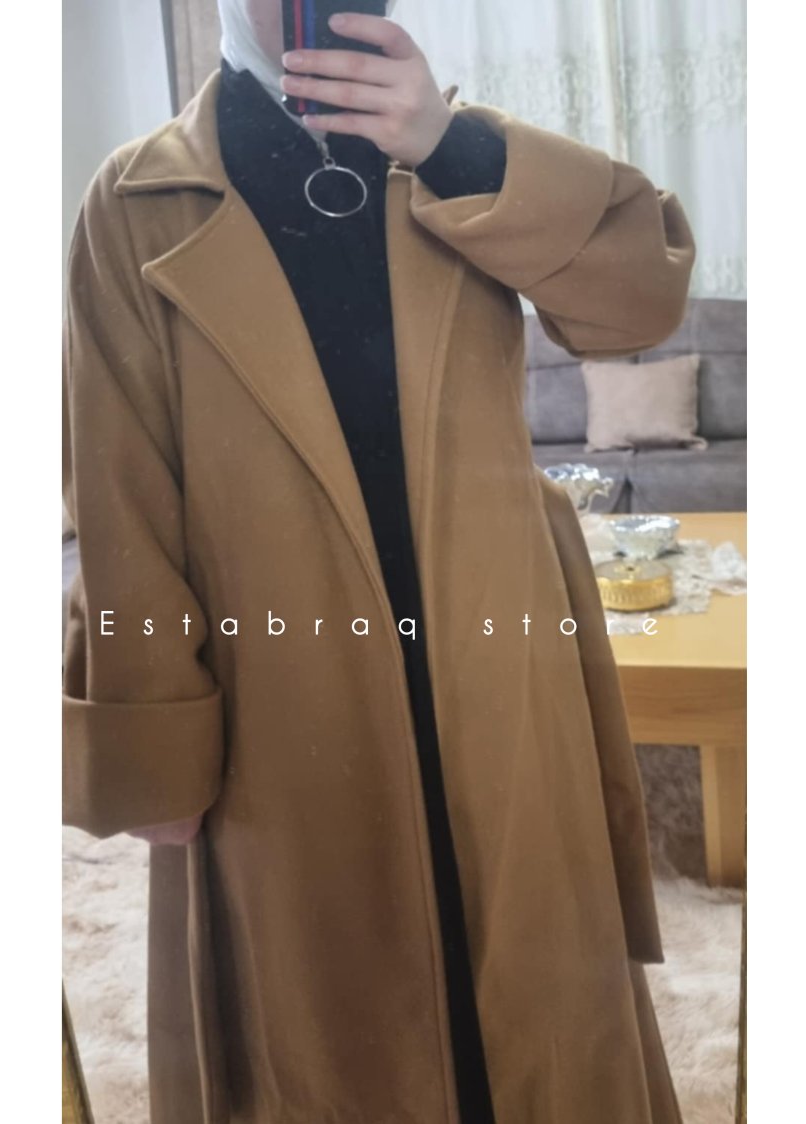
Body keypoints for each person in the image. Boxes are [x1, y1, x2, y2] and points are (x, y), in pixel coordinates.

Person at [61, 2, 696, 1122]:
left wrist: (450, 145)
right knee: (320, 1019)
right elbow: (121, 494)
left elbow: (642, 298)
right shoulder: (139, 199)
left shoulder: (459, 158)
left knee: (535, 993)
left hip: (495, 652)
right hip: (281, 682)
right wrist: (153, 737)